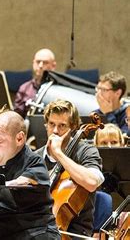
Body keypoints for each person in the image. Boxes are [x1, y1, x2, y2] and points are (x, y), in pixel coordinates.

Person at [0, 111, 59, 239]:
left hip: (28, 231)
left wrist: (0, 184)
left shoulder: (34, 162)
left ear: (19, 139)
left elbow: (24, 181)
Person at [35, 99, 104, 237]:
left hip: (74, 233)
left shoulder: (86, 151)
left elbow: (92, 183)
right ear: (46, 125)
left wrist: (59, 154)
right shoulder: (35, 157)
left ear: (73, 127)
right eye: (51, 124)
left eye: (62, 126)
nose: (55, 131)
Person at [14, 48, 57, 117]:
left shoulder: (58, 89)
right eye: (38, 62)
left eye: (45, 62)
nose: (40, 66)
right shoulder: (24, 88)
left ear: (53, 66)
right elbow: (17, 115)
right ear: (33, 63)